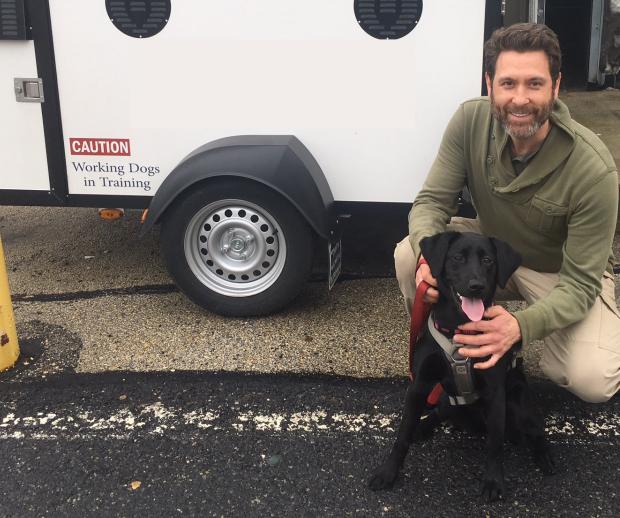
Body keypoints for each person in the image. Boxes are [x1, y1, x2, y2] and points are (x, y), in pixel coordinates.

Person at [395, 23, 620, 403]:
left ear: (556, 86)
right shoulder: (469, 121)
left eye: (534, 83)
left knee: (592, 378)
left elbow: (581, 285)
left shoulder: (593, 170)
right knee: (407, 255)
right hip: (491, 256)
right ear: (489, 84)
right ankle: (446, 347)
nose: (520, 99)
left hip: (560, 271)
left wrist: (519, 326)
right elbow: (432, 202)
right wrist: (425, 257)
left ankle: (593, 332)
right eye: (508, 83)